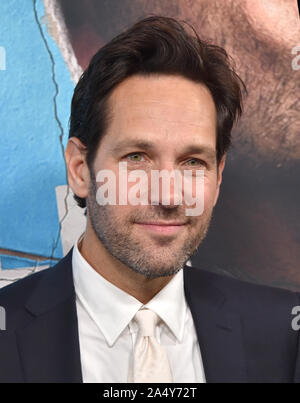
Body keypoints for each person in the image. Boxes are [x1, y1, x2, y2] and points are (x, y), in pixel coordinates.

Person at [0, 15, 299, 383]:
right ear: (80, 169)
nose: (169, 196)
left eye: (193, 162)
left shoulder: (285, 335)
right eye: (137, 158)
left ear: (218, 178)